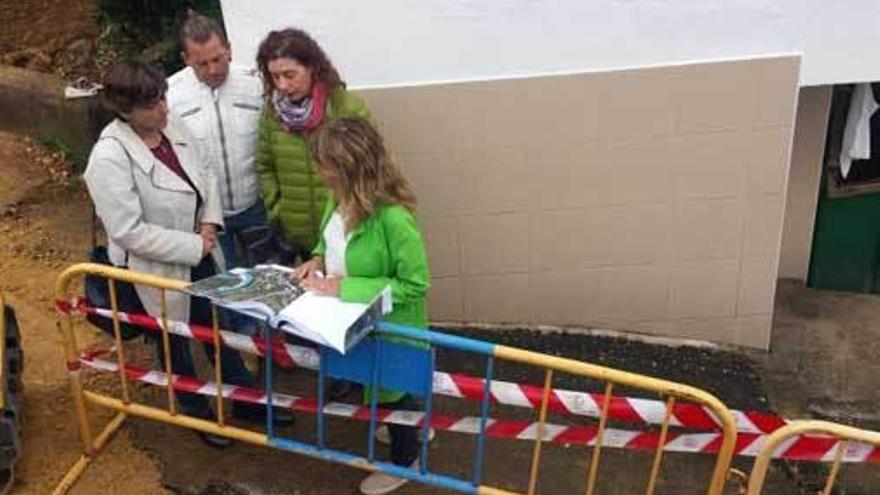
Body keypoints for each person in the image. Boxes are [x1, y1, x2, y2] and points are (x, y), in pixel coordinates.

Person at [83, 60, 291, 449]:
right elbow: (128, 231)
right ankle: (197, 414)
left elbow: (205, 172)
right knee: (174, 344)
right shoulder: (109, 158)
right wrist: (196, 245)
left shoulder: (170, 125)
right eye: (152, 104)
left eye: (163, 97)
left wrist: (210, 223)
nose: (163, 108)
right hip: (155, 271)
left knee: (216, 330)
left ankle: (245, 401)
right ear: (124, 110)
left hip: (201, 254)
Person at [296, 118, 431, 495]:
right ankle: (413, 426)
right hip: (354, 318)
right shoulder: (338, 197)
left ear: (348, 168)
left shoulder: (394, 218)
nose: (318, 171)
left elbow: (415, 284)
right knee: (387, 388)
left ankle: (408, 462)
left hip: (391, 327)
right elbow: (330, 239)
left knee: (395, 390)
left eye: (323, 163)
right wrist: (317, 258)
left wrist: (346, 287)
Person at [255, 27, 371, 400]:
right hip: (298, 234)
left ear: (314, 68)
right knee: (316, 309)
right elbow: (264, 164)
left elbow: (369, 172)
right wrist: (278, 206)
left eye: (290, 74)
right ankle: (335, 371)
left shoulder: (347, 109)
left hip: (343, 237)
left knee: (349, 309)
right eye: (275, 76)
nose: (282, 85)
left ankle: (362, 378)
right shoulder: (272, 114)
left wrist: (347, 225)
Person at [167, 12, 273, 272]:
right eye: (202, 64)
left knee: (270, 283)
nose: (213, 69)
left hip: (258, 208)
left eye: (218, 58)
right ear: (186, 60)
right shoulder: (170, 95)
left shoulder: (257, 83)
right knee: (227, 292)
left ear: (229, 49)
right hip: (209, 218)